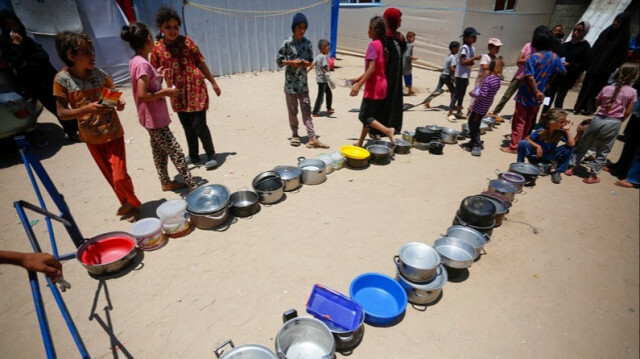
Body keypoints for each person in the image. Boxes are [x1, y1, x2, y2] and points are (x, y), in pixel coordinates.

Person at [53, 31, 141, 221]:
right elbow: (62, 113)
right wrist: (87, 108)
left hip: (113, 132)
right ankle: (129, 206)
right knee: (111, 177)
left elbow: (115, 98)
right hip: (91, 137)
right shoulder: (62, 80)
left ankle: (132, 202)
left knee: (119, 176)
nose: (93, 56)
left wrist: (118, 103)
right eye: (86, 52)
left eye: (92, 51)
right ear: (71, 56)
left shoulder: (101, 75)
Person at [121, 22, 196, 192]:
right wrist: (165, 92)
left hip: (151, 117)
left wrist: (158, 77)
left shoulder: (136, 61)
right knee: (175, 151)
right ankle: (193, 186)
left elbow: (148, 87)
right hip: (154, 118)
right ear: (148, 40)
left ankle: (165, 182)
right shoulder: (142, 64)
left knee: (159, 152)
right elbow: (142, 94)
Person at [151, 7, 222, 169]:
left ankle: (211, 154)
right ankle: (194, 155)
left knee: (199, 125)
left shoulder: (187, 42)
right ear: (161, 28)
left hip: (195, 89)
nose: (173, 30)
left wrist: (213, 82)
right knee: (187, 126)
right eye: (168, 27)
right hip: (177, 94)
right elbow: (154, 72)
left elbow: (201, 62)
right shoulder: (157, 48)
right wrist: (157, 92)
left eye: (176, 27)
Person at [0, 10, 79, 141]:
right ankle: (72, 132)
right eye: (8, 25)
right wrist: (16, 46)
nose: (12, 28)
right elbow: (16, 62)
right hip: (35, 83)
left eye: (14, 24)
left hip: (48, 78)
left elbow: (43, 56)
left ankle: (77, 129)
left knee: (64, 103)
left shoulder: (27, 40)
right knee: (55, 107)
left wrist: (27, 62)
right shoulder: (6, 44)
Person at [567, 62, 639, 184]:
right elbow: (628, 111)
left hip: (598, 119)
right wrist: (619, 121)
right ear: (632, 77)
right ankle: (592, 176)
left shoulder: (607, 88)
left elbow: (596, 103)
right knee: (603, 150)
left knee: (583, 145)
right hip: (614, 122)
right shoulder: (632, 92)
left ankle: (571, 168)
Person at [500, 28, 565, 154]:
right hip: (539, 96)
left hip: (526, 94)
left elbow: (529, 76)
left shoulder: (533, 58)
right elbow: (562, 71)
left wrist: (536, 91)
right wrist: (546, 82)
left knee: (519, 120)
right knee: (529, 121)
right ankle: (523, 144)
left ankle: (514, 147)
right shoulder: (554, 57)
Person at [276, 12, 329, 149]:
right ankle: (295, 134)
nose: (302, 30)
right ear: (294, 28)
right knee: (293, 111)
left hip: (303, 84)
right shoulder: (287, 43)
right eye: (300, 27)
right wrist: (291, 62)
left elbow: (311, 61)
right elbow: (279, 61)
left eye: (304, 27)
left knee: (306, 109)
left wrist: (306, 64)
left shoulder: (308, 43)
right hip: (290, 85)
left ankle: (312, 137)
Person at [350, 16, 396, 148]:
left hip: (374, 87)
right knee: (369, 117)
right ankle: (360, 142)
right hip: (382, 86)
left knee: (363, 116)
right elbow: (375, 68)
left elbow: (371, 68)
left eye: (370, 28)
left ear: (374, 30)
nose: (368, 30)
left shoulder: (373, 45)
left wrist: (358, 86)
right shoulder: (381, 44)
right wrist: (358, 78)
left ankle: (387, 130)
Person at [574, 13, 631, 116]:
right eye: (615, 20)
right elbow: (596, 47)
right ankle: (578, 107)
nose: (615, 23)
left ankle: (590, 108)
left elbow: (622, 55)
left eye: (618, 22)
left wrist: (613, 67)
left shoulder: (623, 37)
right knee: (586, 86)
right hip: (594, 65)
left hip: (605, 69)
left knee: (596, 89)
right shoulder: (606, 32)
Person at [517, 109, 575, 184]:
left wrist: (567, 130)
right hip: (535, 155)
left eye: (564, 122)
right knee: (523, 143)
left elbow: (571, 144)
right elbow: (527, 139)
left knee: (569, 148)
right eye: (561, 122)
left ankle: (558, 171)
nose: (563, 124)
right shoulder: (541, 130)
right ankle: (519, 166)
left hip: (548, 156)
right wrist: (538, 146)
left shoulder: (560, 132)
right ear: (552, 122)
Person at [543, 21, 591, 112]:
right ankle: (543, 116)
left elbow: (585, 64)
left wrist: (571, 65)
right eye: (575, 30)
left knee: (559, 101)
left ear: (584, 32)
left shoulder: (585, 47)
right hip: (555, 77)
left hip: (567, 79)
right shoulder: (565, 45)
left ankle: (556, 120)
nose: (575, 32)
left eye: (579, 31)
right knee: (547, 98)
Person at [463, 57, 503, 157]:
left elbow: (483, 95)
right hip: (486, 105)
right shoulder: (497, 80)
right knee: (475, 123)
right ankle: (472, 142)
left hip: (480, 105)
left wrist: (473, 94)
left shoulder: (488, 80)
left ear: (490, 67)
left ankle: (476, 144)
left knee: (473, 124)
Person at [446, 27, 481, 122]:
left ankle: (459, 111)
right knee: (457, 94)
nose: (474, 38)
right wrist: (474, 59)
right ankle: (450, 112)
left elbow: (468, 62)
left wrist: (472, 62)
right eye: (472, 36)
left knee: (462, 94)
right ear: (466, 38)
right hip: (461, 75)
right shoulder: (465, 48)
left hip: (465, 75)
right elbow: (462, 62)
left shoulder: (471, 48)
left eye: (475, 36)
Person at [380, 8, 406, 134]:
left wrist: (403, 41)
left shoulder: (397, 37)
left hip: (396, 77)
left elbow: (402, 52)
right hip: (386, 77)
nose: (400, 23)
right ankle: (381, 129)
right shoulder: (383, 39)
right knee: (384, 102)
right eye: (398, 20)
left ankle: (394, 126)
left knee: (395, 101)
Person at [468, 38, 502, 115]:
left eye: (498, 47)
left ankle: (480, 112)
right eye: (496, 47)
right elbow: (484, 67)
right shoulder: (486, 57)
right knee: (476, 95)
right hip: (481, 80)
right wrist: (494, 67)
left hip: (489, 81)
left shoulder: (495, 58)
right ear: (490, 47)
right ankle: (470, 110)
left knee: (486, 97)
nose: (497, 49)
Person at [423, 41, 458, 108]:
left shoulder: (448, 56)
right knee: (453, 91)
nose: (458, 49)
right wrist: (453, 78)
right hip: (447, 76)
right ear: (454, 48)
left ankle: (428, 101)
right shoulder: (453, 57)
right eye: (457, 48)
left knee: (437, 89)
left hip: (442, 75)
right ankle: (452, 105)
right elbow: (452, 69)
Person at [309, 39, 334, 117]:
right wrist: (329, 78)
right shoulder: (323, 57)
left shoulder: (318, 56)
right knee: (320, 96)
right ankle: (315, 112)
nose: (329, 50)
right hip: (322, 80)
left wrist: (307, 71)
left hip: (321, 80)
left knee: (329, 93)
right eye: (328, 48)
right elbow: (323, 68)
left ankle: (329, 108)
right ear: (323, 48)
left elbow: (312, 64)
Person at [403, 31, 418, 96]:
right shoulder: (410, 45)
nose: (414, 39)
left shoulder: (404, 44)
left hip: (402, 64)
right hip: (406, 65)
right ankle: (410, 91)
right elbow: (407, 55)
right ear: (409, 38)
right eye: (413, 38)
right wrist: (413, 57)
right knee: (408, 77)